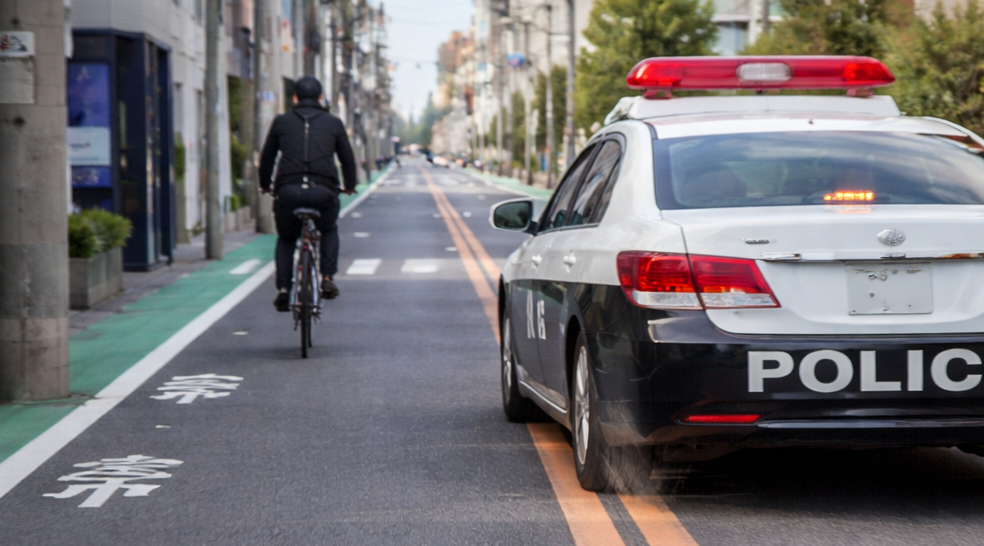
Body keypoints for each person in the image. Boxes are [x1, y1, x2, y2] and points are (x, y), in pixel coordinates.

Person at [259, 76, 358, 312]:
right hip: (323, 191)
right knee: (328, 228)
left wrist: (266, 184)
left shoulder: (281, 122)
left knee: (286, 238)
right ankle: (327, 278)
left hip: (288, 191)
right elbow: (347, 160)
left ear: (294, 98)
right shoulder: (334, 123)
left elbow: (267, 158)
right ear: (321, 98)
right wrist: (349, 185)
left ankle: (283, 289)